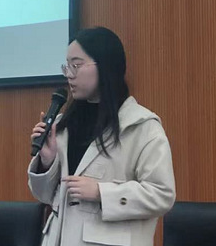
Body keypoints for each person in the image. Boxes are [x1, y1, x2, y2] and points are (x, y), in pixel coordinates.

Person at [28, 27, 176, 246]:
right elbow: (45, 196)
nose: (69, 74)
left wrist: (102, 192)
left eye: (76, 65)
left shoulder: (141, 126)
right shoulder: (63, 124)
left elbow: (162, 195)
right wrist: (47, 162)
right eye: (67, 66)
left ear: (106, 65)